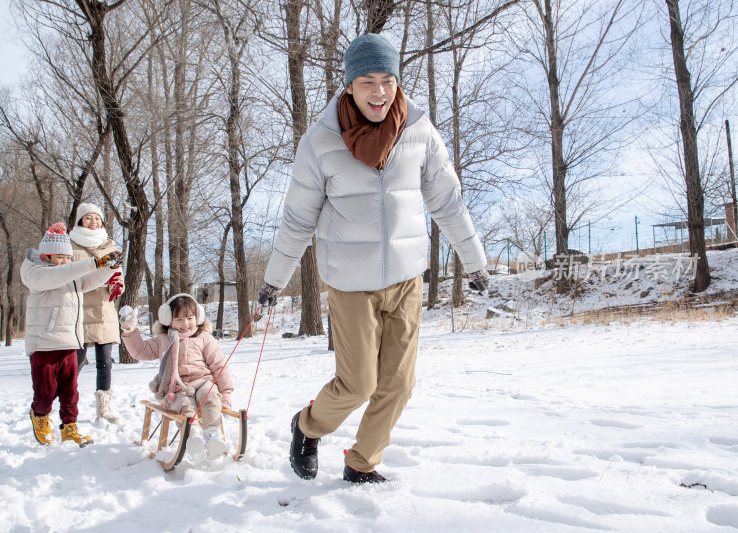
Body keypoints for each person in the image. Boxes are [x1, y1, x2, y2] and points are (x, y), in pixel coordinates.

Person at [258, 33, 489, 484]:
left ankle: (362, 462)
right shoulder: (320, 141)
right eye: (367, 81)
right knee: (358, 383)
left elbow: (448, 202)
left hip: (406, 277)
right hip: (349, 282)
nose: (379, 91)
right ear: (349, 85)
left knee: (399, 383)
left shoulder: (418, 130)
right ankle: (306, 426)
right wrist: (274, 279)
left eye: (388, 80)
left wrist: (474, 261)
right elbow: (298, 219)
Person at [22, 222, 122, 447]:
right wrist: (95, 262)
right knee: (45, 393)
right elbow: (61, 274)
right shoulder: (35, 273)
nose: (65, 262)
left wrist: (110, 268)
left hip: (69, 341)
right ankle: (39, 416)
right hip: (44, 344)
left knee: (70, 391)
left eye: (68, 258)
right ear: (46, 256)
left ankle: (69, 427)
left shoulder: (69, 273)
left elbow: (89, 280)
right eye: (59, 257)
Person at [119, 294, 234, 463]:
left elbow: (219, 365)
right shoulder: (163, 339)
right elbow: (140, 351)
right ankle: (193, 435)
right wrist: (129, 330)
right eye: (178, 319)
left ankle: (212, 436)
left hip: (202, 382)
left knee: (210, 396)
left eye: (189, 318)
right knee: (184, 405)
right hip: (176, 388)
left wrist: (226, 392)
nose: (185, 324)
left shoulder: (204, 338)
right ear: (168, 319)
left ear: (198, 317)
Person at [69, 203, 123, 424]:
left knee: (105, 362)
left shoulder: (109, 246)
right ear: (80, 221)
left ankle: (104, 409)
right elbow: (67, 275)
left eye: (97, 218)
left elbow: (119, 275)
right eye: (88, 218)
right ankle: (69, 406)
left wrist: (117, 285)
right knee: (76, 363)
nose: (93, 222)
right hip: (79, 309)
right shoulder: (70, 246)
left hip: (103, 309)